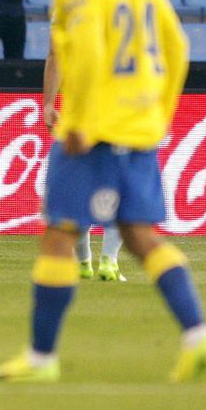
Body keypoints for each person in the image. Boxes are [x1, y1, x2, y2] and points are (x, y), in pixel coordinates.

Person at [0, 0, 206, 383]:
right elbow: (177, 45)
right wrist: (158, 115)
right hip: (137, 126)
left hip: (98, 128)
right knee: (138, 234)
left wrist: (83, 122)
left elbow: (84, 51)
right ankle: (199, 333)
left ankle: (41, 358)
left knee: (60, 232)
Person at [44, 32, 125, 281]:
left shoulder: (68, 6)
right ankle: (109, 261)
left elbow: (55, 56)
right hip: (117, 110)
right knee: (118, 190)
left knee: (79, 189)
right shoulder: (125, 3)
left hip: (77, 113)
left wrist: (48, 102)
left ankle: (83, 262)